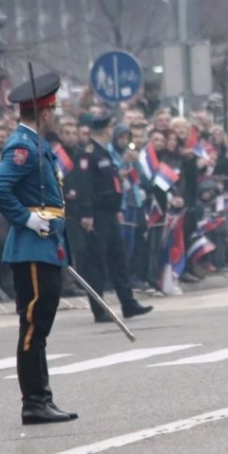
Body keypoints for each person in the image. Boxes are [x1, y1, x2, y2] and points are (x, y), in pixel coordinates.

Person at [0, 73, 77, 424]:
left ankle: (42, 398)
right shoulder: (23, 146)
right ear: (46, 112)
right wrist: (24, 218)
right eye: (53, 109)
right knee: (34, 326)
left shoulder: (36, 143)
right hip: (31, 246)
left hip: (45, 245)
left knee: (40, 327)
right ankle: (34, 402)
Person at [73, 112, 153, 323]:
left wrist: (117, 207)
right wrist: (87, 213)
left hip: (109, 212)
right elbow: (84, 185)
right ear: (107, 129)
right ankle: (99, 309)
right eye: (111, 128)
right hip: (96, 214)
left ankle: (128, 303)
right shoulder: (88, 154)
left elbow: (110, 183)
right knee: (96, 262)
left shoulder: (103, 153)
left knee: (118, 259)